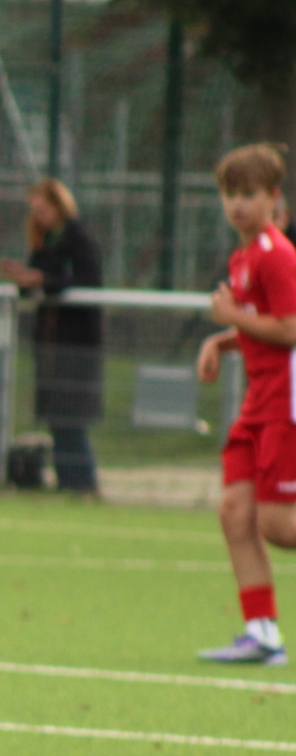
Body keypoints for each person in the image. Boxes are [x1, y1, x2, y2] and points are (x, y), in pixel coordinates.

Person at [195, 143, 296, 666]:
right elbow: (262, 325)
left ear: (273, 197)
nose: (238, 204)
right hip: (257, 404)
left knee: (277, 526)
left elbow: (290, 329)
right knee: (236, 512)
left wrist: (231, 319)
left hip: (284, 403)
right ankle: (262, 634)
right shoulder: (243, 256)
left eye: (249, 194)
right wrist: (222, 340)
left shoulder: (276, 254)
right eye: (230, 194)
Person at [0, 179, 104, 494]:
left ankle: (82, 481)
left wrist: (44, 280)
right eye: (34, 210)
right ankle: (67, 481)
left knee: (71, 414)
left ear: (59, 207)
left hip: (76, 341)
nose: (38, 216)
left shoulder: (79, 238)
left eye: (43, 209)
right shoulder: (43, 240)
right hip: (50, 342)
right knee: (56, 414)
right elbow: (38, 279)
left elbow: (85, 280)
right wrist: (24, 279)